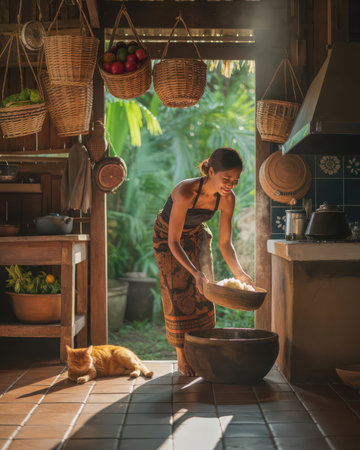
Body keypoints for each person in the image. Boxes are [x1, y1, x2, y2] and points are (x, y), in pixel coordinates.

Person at [153, 147, 254, 376]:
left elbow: (226, 244)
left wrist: (239, 273)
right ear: (210, 172)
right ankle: (182, 358)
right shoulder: (186, 191)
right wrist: (194, 271)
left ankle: (203, 349)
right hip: (167, 239)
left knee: (206, 290)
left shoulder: (227, 199)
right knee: (178, 293)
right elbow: (174, 241)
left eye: (235, 180)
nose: (230, 184)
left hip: (196, 234)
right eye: (226, 178)